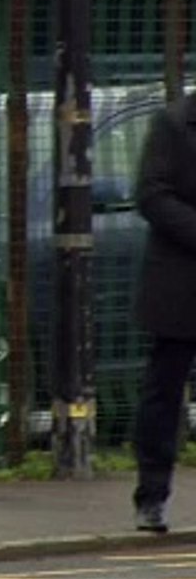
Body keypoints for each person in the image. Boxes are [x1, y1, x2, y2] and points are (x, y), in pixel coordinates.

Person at [130, 93, 196, 534]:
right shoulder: (173, 125)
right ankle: (152, 495)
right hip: (180, 283)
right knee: (164, 392)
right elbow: (151, 195)